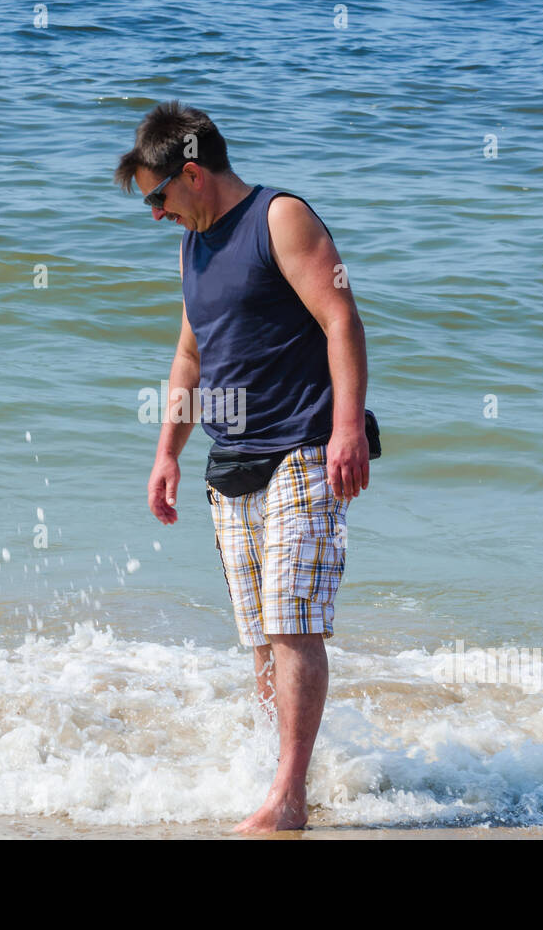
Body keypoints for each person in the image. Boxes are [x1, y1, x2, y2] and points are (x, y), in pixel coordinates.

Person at [113, 100, 370, 833]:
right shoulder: (192, 246)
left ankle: (287, 798)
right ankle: (285, 777)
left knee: (293, 626)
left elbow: (341, 317)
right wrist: (167, 450)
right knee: (260, 637)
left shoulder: (279, 218)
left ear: (190, 174)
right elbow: (191, 356)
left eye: (157, 198)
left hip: (305, 448)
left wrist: (347, 426)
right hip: (233, 463)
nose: (155, 215)